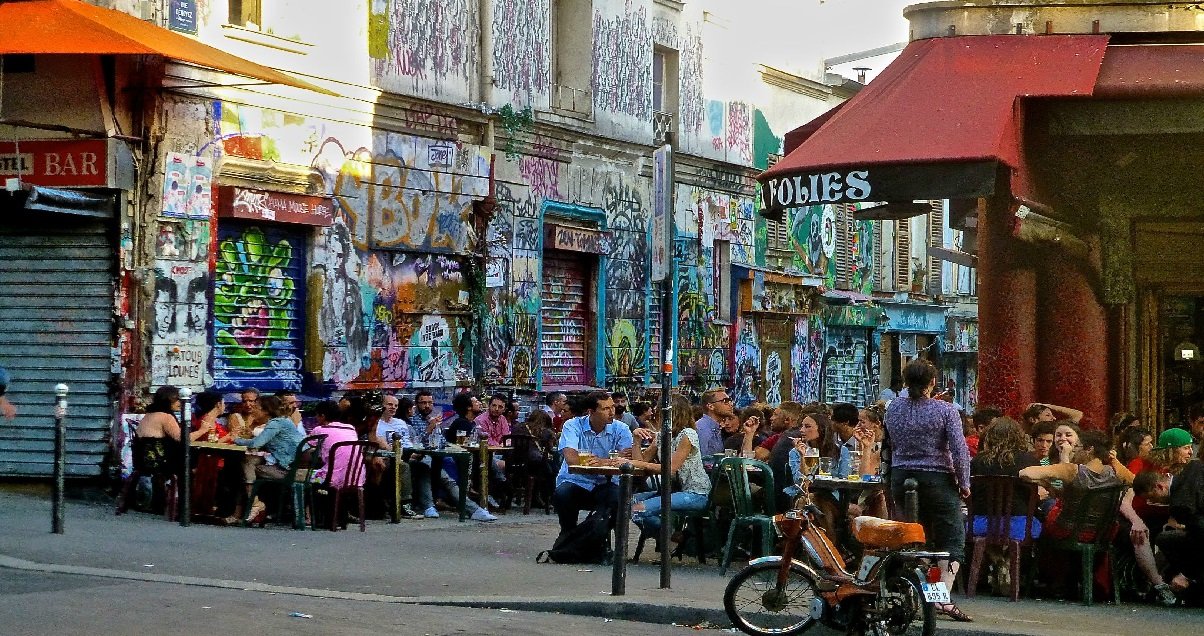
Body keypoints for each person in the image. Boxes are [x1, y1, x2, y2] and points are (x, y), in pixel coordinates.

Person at [885, 359, 972, 622]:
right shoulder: (945, 411)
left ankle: (916, 591)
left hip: (901, 476)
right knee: (951, 538)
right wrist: (964, 483)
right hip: (936, 478)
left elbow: (888, 445)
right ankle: (940, 596)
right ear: (933, 383)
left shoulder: (893, 408)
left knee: (916, 536)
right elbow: (959, 450)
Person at [552, 391, 650, 535]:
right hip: (576, 481)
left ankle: (607, 544)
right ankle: (568, 537)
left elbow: (629, 460)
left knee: (618, 498)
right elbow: (571, 458)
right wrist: (612, 460)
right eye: (605, 409)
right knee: (562, 494)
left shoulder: (621, 428)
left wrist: (600, 461)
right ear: (591, 411)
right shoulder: (572, 425)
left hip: (606, 483)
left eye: (612, 407)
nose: (612, 412)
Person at [628, 395, 712, 534]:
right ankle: (670, 536)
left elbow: (671, 469)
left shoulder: (688, 434)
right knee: (626, 502)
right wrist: (636, 440)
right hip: (672, 491)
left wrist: (634, 462)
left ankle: (671, 535)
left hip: (696, 493)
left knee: (637, 510)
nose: (655, 413)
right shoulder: (662, 435)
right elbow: (641, 463)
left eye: (658, 410)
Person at [231, 395, 304, 525]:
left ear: (266, 411)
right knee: (250, 463)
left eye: (256, 408)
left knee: (247, 464)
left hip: (288, 470)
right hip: (294, 466)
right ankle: (254, 504)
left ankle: (255, 504)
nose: (253, 410)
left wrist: (235, 439)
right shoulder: (284, 421)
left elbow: (256, 443)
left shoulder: (275, 423)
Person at [1161, 454, 1204, 603]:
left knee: (1188, 535)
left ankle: (1189, 582)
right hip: (1196, 528)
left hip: (1198, 531)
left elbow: (1183, 506)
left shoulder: (1196, 467)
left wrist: (1187, 573)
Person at [694, 389, 732, 457]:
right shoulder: (702, 429)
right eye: (725, 401)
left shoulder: (717, 428)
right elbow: (703, 461)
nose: (730, 404)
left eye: (730, 401)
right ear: (710, 406)